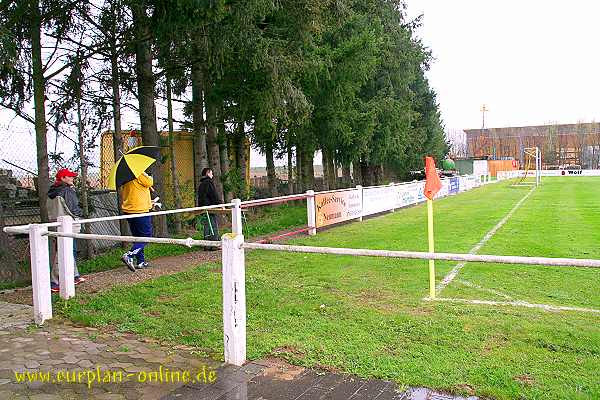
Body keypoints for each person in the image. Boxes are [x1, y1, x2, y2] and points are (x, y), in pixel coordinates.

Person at [47, 168, 86, 292]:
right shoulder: (66, 190)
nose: (72, 178)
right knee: (65, 251)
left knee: (68, 249)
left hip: (56, 222)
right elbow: (73, 208)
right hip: (68, 224)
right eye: (70, 176)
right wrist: (82, 214)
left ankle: (74, 275)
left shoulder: (52, 191)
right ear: (63, 178)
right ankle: (55, 281)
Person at [120, 172, 154, 271]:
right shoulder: (138, 172)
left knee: (138, 237)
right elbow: (149, 182)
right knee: (146, 236)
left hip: (129, 210)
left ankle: (140, 261)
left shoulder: (125, 175)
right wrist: (148, 176)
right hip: (140, 211)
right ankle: (129, 255)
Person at [197, 168, 221, 245]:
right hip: (210, 207)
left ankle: (206, 244)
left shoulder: (201, 184)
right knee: (213, 224)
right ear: (208, 173)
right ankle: (214, 244)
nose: (212, 175)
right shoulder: (209, 182)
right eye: (211, 173)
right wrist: (220, 204)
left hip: (203, 207)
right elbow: (213, 195)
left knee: (207, 225)